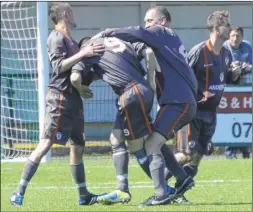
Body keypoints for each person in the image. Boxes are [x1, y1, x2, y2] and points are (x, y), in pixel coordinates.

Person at [96, 5, 198, 206]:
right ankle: (182, 178)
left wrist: (107, 32)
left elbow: (138, 32)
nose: (147, 25)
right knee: (155, 138)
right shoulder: (172, 40)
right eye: (146, 21)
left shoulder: (161, 32)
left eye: (149, 20)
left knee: (151, 144)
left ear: (162, 21)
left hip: (177, 102)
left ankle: (161, 195)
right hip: (179, 101)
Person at [10, 2, 105, 206]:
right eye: (70, 10)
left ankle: (83, 195)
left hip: (73, 98)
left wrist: (83, 84)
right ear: (64, 14)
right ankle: (19, 192)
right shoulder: (56, 37)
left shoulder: (70, 39)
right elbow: (58, 66)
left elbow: (78, 69)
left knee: (78, 145)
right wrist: (83, 53)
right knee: (46, 143)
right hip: (59, 97)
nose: (73, 13)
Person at [167, 10, 242, 204]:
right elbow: (182, 76)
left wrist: (234, 73)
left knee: (198, 156)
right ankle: (159, 179)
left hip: (211, 114)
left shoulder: (226, 53)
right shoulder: (199, 51)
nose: (231, 28)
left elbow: (227, 79)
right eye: (227, 24)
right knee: (185, 154)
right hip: (192, 112)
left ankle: (176, 193)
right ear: (217, 28)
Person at [71, 36, 157, 205]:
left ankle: (163, 187)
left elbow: (74, 78)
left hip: (130, 94)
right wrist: (151, 80)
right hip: (141, 91)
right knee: (116, 138)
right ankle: (122, 187)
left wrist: (81, 88)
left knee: (136, 146)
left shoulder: (88, 51)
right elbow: (149, 52)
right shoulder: (118, 43)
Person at [223, 26, 252, 159]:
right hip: (228, 89)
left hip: (244, 89)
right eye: (233, 35)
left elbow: (251, 64)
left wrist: (247, 67)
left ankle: (246, 152)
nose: (235, 39)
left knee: (244, 117)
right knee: (229, 119)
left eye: (238, 36)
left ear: (242, 37)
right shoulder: (224, 48)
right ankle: (230, 154)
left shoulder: (247, 47)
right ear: (229, 36)